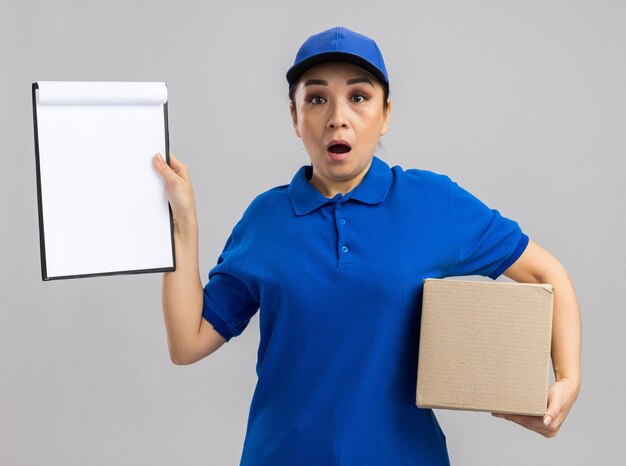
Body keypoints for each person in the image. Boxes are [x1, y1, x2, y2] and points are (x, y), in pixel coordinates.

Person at [153, 26, 581, 466]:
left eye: (359, 97)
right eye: (316, 99)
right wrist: (182, 221)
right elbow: (188, 342)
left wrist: (569, 378)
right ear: (295, 118)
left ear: (386, 114)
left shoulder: (432, 203)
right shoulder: (265, 220)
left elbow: (547, 274)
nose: (338, 116)